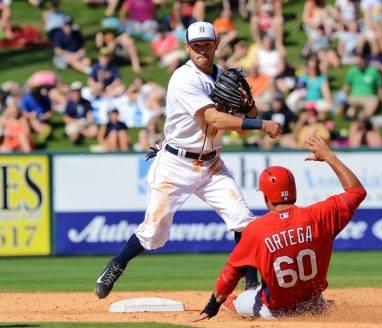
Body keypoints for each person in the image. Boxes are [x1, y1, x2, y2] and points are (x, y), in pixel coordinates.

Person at [94, 21, 282, 299]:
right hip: (175, 163)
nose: (202, 50)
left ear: (217, 45)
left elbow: (249, 115)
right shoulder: (183, 78)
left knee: (244, 221)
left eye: (207, 44)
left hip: (212, 164)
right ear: (187, 48)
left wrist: (249, 105)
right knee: (154, 233)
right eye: (196, 46)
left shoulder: (223, 77)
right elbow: (213, 118)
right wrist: (261, 125)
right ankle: (116, 265)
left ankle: (251, 286)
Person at [193, 135, 367, 321]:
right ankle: (318, 307)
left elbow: (231, 273)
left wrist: (212, 306)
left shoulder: (256, 230)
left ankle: (234, 304)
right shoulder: (320, 215)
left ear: (266, 197)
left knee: (239, 300)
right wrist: (329, 157)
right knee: (308, 296)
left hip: (276, 312)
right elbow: (357, 192)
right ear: (294, 191)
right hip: (312, 303)